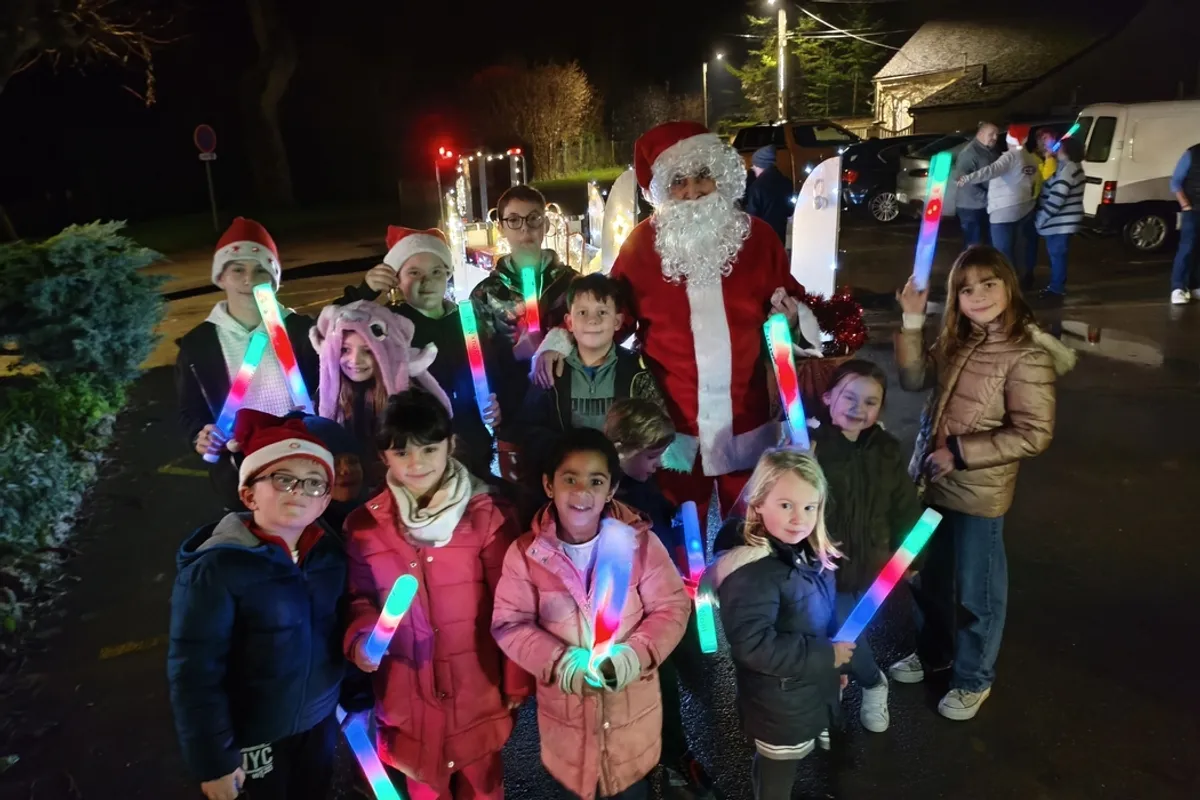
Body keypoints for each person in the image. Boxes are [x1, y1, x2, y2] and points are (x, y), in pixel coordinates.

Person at [534, 121, 840, 530]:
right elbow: (608, 316)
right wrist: (561, 340)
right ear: (662, 190)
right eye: (678, 181)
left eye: (703, 176)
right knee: (677, 536)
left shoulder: (759, 239)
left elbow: (797, 305)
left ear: (722, 177)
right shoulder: (641, 247)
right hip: (671, 429)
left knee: (751, 530)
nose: (693, 191)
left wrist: (791, 318)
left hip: (746, 420)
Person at [892, 246, 1076, 721]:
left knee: (978, 593)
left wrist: (959, 452)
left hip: (979, 494)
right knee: (927, 579)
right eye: (966, 288)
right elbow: (913, 380)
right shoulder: (957, 339)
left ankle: (974, 678)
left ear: (1008, 285)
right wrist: (913, 321)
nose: (978, 296)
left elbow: (1034, 433)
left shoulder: (1026, 354)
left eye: (988, 284)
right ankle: (935, 653)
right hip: (930, 484)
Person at [342, 390, 530, 799]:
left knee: (484, 789)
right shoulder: (363, 526)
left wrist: (515, 681)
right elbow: (360, 598)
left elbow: (511, 604)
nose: (417, 463)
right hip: (408, 700)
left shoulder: (488, 515)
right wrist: (362, 639)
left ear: (451, 444)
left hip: (477, 691)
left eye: (429, 448)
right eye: (402, 452)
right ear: (384, 456)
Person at [491, 427, 691, 800]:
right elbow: (509, 623)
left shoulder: (639, 543)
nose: (582, 492)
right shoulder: (525, 554)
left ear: (611, 489)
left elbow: (671, 606)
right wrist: (560, 662)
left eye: (595, 480)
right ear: (549, 485)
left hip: (632, 727)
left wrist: (634, 656)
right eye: (571, 479)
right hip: (567, 731)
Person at [168, 410, 344, 800]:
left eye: (315, 483)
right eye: (283, 479)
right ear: (248, 493)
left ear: (325, 500)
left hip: (317, 723)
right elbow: (195, 673)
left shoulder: (329, 557)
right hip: (253, 738)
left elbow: (335, 631)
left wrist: (357, 696)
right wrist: (213, 760)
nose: (299, 490)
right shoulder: (218, 568)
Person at [706, 449, 851, 800]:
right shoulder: (753, 573)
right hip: (778, 703)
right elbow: (753, 646)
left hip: (804, 690)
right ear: (758, 505)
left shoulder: (807, 554)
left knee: (782, 766)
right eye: (785, 505)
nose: (799, 518)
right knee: (776, 776)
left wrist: (831, 669)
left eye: (809, 507)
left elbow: (819, 617)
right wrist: (826, 657)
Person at [603, 398, 719, 800]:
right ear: (621, 449)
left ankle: (671, 752)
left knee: (684, 669)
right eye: (651, 455)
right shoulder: (610, 502)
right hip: (636, 616)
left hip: (668, 599)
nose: (658, 463)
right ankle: (667, 755)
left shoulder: (647, 485)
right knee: (659, 685)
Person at [175, 217, 320, 508]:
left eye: (260, 271)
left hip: (306, 457)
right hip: (240, 467)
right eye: (237, 269)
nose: (248, 280)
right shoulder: (198, 344)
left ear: (273, 279)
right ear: (221, 277)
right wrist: (198, 435)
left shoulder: (303, 331)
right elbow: (189, 410)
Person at [336, 226, 507, 474]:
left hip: (471, 443)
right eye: (414, 273)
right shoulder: (387, 324)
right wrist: (364, 292)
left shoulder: (468, 320)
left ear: (448, 275)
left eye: (436, 272)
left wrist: (496, 402)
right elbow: (334, 326)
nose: (426, 281)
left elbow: (490, 369)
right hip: (415, 448)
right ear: (397, 279)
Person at [811, 360, 924, 734]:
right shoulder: (810, 447)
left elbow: (904, 505)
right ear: (828, 398)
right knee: (841, 631)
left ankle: (845, 683)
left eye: (871, 402)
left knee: (844, 632)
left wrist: (911, 555)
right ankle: (873, 681)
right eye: (850, 397)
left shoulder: (888, 450)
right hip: (826, 565)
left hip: (873, 563)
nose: (859, 409)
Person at [515, 273, 663, 483]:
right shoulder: (551, 369)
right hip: (567, 481)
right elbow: (529, 427)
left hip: (622, 484)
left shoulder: (636, 371)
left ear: (618, 321)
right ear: (569, 322)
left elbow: (655, 426)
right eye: (582, 312)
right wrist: (563, 454)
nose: (593, 320)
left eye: (602, 312)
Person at [310, 299, 453, 490]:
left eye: (368, 351)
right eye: (344, 350)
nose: (355, 360)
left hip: (404, 487)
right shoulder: (325, 397)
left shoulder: (415, 399)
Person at [956, 125, 1041, 287]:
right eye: (992, 134)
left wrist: (968, 178)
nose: (996, 138)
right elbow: (1033, 181)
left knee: (1002, 251)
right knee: (1014, 248)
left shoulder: (1009, 157)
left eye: (999, 134)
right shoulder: (1029, 158)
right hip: (1018, 208)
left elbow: (990, 171)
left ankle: (1007, 285)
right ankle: (1017, 279)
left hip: (1003, 211)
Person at [1034, 137, 1086, 300]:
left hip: (1060, 222)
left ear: (1066, 150)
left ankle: (1056, 288)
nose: (1057, 148)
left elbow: (1057, 198)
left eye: (1060, 146)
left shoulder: (1067, 169)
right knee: (1058, 255)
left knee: (1057, 255)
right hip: (1064, 221)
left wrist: (1041, 219)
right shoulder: (1071, 167)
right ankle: (1056, 286)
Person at [952, 122, 999, 248]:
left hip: (984, 205)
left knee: (987, 244)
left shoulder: (990, 151)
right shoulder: (969, 153)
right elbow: (963, 181)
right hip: (971, 207)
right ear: (980, 134)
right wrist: (987, 197)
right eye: (991, 134)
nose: (995, 137)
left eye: (996, 134)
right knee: (974, 244)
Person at [1168, 143, 1200, 305]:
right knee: (1187, 247)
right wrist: (1185, 205)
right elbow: (1175, 182)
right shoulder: (1192, 154)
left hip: (1193, 207)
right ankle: (1178, 287)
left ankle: (1195, 286)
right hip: (1193, 209)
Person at [743, 145, 793, 244]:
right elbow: (789, 210)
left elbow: (752, 217)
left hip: (762, 237)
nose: (753, 169)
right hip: (779, 236)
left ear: (761, 165)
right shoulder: (786, 182)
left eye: (754, 166)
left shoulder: (757, 187)